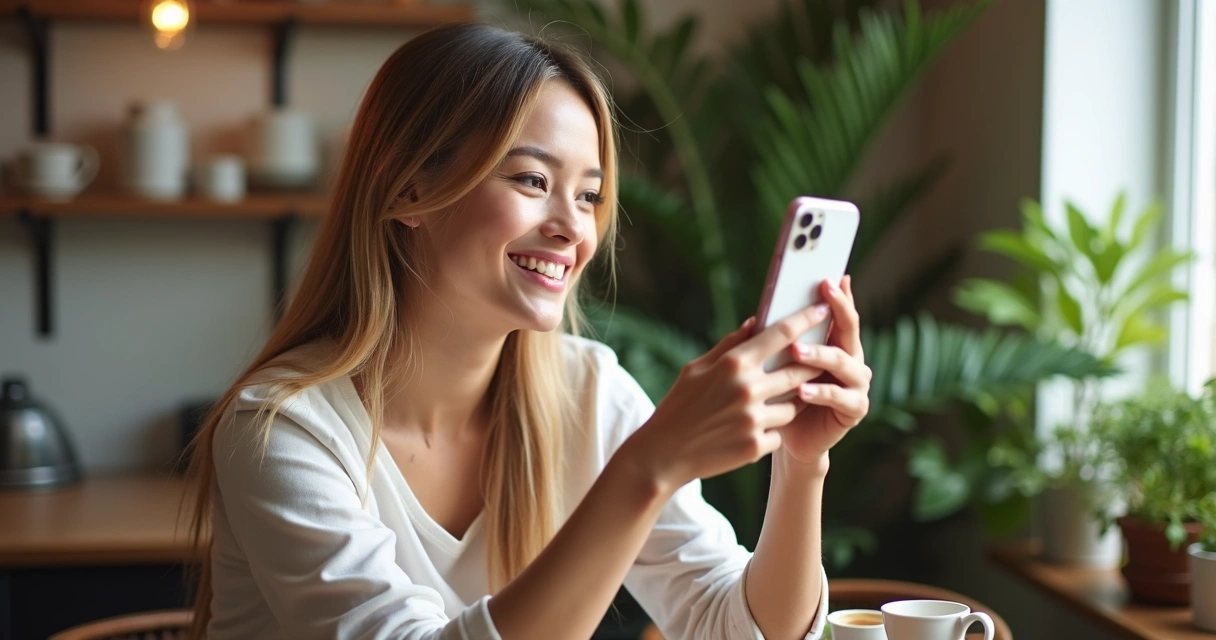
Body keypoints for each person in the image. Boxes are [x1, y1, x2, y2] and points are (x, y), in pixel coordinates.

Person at [185, 22, 871, 640]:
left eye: (589, 195)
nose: (574, 229)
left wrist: (801, 466)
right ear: (409, 192)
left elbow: (740, 630)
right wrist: (647, 466)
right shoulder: (282, 429)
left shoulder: (587, 391)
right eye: (531, 179)